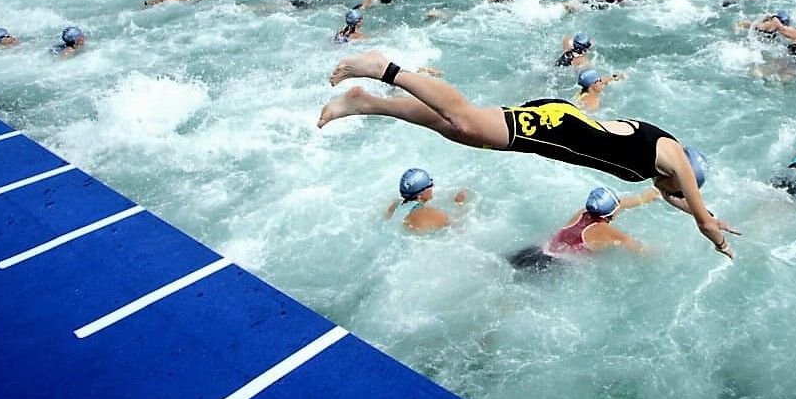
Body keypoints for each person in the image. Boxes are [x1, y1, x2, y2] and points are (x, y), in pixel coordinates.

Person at [317, 51, 739, 256]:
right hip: (557, 127)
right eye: (682, 188)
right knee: (463, 118)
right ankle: (382, 69)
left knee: (453, 130)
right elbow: (699, 216)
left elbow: (673, 198)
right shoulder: (675, 159)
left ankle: (366, 102)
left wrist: (697, 212)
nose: (674, 190)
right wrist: (716, 235)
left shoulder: (665, 167)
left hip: (558, 128)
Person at [506, 187, 647, 271]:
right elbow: (639, 250)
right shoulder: (604, 231)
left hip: (535, 251)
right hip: (551, 265)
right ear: (613, 212)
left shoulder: (582, 212)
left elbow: (619, 205)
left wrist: (644, 198)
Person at [385, 167, 468, 232]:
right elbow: (457, 228)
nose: (433, 186)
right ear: (419, 195)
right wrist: (459, 204)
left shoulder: (394, 205)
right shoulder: (430, 213)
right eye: (430, 184)